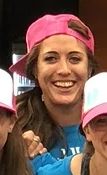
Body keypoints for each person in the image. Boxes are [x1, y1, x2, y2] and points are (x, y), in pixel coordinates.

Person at [12, 12, 97, 161]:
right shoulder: (11, 128)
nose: (64, 70)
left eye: (74, 59)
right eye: (51, 58)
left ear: (89, 69)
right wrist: (14, 158)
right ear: (34, 69)